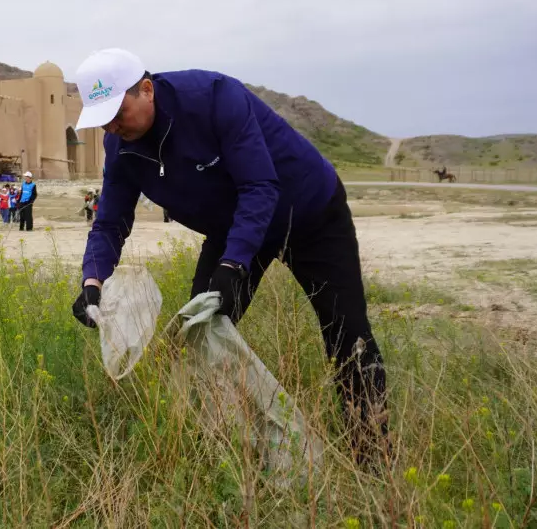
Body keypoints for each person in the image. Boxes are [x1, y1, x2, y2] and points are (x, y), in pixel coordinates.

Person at [69, 48, 387, 462]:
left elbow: (260, 187)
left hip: (308, 211)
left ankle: (372, 457)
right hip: (231, 224)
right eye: (102, 119)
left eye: (117, 112)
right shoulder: (121, 147)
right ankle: (240, 454)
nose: (111, 125)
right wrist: (92, 282)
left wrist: (233, 264)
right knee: (199, 334)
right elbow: (110, 221)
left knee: (347, 333)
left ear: (146, 89)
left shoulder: (214, 97)